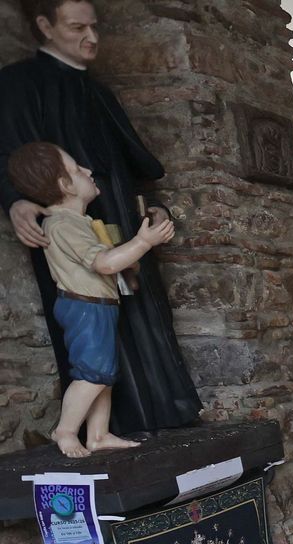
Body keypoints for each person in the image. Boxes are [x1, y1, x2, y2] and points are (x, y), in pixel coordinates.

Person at [0, 0, 201, 435]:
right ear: (43, 26)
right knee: (94, 335)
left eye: (94, 27)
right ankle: (107, 426)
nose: (91, 38)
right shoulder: (17, 85)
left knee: (142, 315)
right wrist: (15, 200)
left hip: (118, 221)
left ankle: (163, 413)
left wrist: (148, 212)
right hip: (77, 233)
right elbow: (11, 159)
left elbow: (133, 168)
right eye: (77, 27)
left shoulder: (101, 93)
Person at [6, 142, 171, 457]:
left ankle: (98, 435)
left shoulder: (79, 223)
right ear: (64, 185)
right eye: (77, 169)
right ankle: (65, 430)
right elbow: (105, 263)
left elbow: (110, 264)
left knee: (103, 374)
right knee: (92, 375)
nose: (88, 171)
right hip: (85, 307)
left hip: (98, 305)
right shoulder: (64, 225)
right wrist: (142, 242)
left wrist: (129, 262)